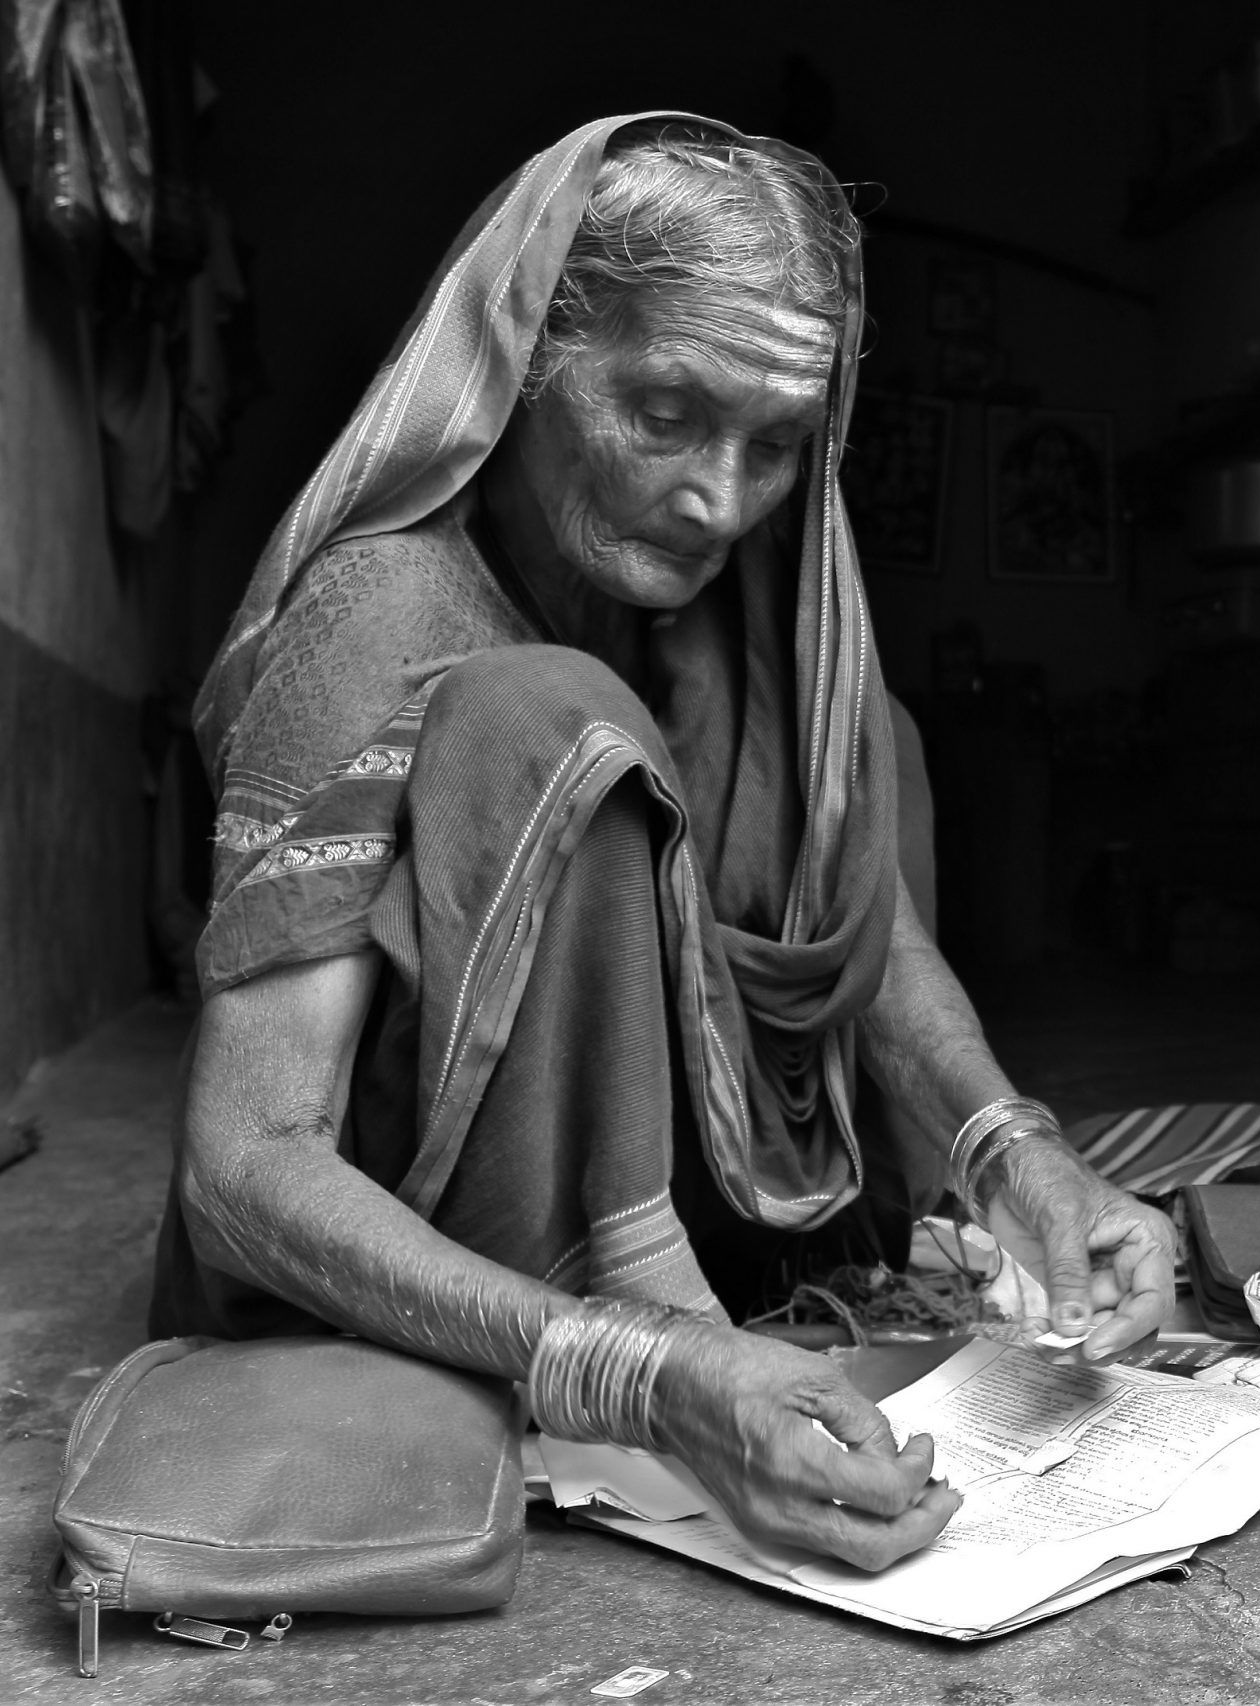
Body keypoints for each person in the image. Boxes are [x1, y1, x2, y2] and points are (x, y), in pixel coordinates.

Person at [150, 115, 1176, 1573]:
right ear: (527, 359)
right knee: (550, 718)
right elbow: (242, 1167)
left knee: (861, 724)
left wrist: (1017, 1158)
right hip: (446, 1258)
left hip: (696, 1200)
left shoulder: (732, 605)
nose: (722, 499)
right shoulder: (380, 612)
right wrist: (638, 1369)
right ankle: (646, 1322)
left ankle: (749, 1298)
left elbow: (869, 932)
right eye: (668, 413)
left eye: (775, 445)